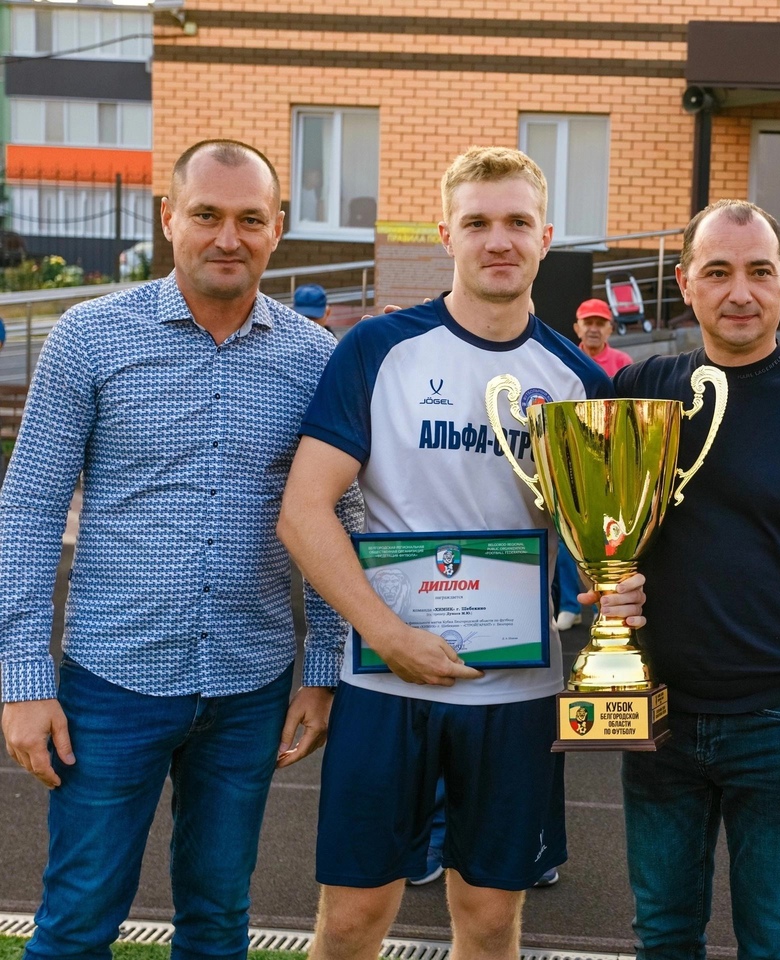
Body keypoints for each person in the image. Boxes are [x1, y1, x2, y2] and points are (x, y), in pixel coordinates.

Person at [275, 146, 645, 960]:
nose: (498, 240)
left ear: (546, 237)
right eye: (478, 222)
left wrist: (609, 588)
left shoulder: (579, 381)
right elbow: (302, 512)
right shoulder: (377, 351)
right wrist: (390, 634)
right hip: (385, 679)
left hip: (517, 690)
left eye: (517, 222)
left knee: (487, 918)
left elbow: (594, 546)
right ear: (448, 233)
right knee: (352, 918)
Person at [0, 139, 358, 960]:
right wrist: (22, 679)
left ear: (278, 231)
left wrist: (322, 669)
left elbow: (345, 517)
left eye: (248, 219)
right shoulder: (88, 338)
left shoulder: (317, 360)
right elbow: (26, 509)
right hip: (111, 684)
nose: (226, 237)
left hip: (250, 686)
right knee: (76, 920)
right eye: (206, 215)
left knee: (218, 920)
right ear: (170, 219)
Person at [613, 199, 780, 958]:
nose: (741, 292)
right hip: (658, 718)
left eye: (760, 272)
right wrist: (603, 583)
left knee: (775, 939)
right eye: (719, 272)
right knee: (663, 933)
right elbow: (593, 526)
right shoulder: (640, 389)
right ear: (685, 283)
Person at [549, 297, 636, 633]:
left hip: (610, 462)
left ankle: (608, 603)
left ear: (610, 328)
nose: (594, 328)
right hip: (571, 459)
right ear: (577, 327)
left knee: (610, 536)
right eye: (588, 322)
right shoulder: (562, 361)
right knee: (568, 533)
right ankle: (571, 604)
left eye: (600, 322)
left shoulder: (623, 362)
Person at [573, 297, 632, 375]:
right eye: (588, 323)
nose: (593, 330)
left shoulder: (623, 362)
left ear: (609, 330)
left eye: (600, 324)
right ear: (577, 329)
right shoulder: (569, 360)